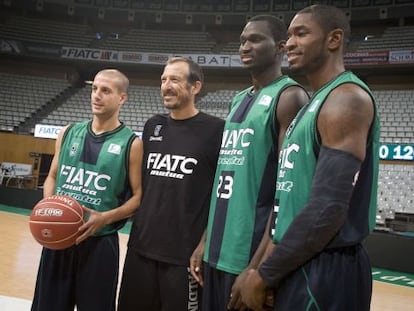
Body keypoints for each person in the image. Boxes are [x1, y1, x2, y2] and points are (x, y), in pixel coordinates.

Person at [239, 5, 380, 311]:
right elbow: (286, 204)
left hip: (327, 267)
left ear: (334, 39)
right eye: (288, 35)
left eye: (301, 33)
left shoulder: (346, 99)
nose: (289, 43)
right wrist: (262, 267)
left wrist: (265, 275)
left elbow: (327, 208)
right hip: (295, 260)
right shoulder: (311, 105)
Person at [198, 15, 309, 310]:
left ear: (280, 47)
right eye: (243, 41)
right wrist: (204, 243)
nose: (245, 46)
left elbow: (287, 193)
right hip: (216, 253)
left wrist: (259, 269)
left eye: (256, 39)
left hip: (248, 258)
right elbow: (227, 178)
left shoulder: (290, 97)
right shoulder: (237, 100)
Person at [117, 57, 225, 311]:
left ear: (195, 87)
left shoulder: (217, 131)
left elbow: (222, 196)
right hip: (140, 248)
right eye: (163, 80)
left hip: (184, 257)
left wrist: (205, 243)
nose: (166, 86)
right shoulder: (153, 125)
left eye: (174, 79)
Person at [31, 69, 143, 311]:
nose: (97, 95)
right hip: (59, 240)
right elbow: (51, 176)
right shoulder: (68, 132)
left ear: (122, 98)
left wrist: (105, 218)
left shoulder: (131, 144)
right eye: (94, 89)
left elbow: (138, 198)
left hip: (99, 243)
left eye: (105, 90)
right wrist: (50, 207)